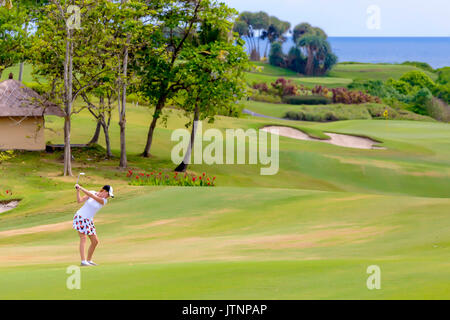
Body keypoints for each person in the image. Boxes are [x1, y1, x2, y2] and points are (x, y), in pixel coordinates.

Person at [73, 184, 114, 266]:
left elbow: (91, 195)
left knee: (95, 241)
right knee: (83, 238)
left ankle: (89, 260)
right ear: (104, 191)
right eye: (108, 194)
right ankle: (83, 261)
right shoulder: (92, 192)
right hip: (80, 217)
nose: (108, 196)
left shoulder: (104, 201)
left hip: (88, 220)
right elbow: (79, 201)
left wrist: (81, 188)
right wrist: (78, 191)